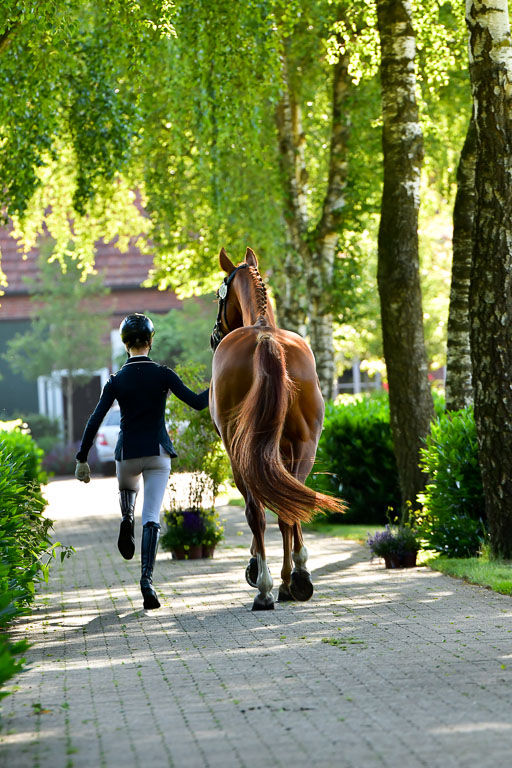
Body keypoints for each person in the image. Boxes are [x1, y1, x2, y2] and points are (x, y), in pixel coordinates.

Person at [75, 313, 209, 610]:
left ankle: (125, 516)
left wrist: (81, 458)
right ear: (151, 341)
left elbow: (95, 419)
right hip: (158, 453)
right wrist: (222, 384)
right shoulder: (163, 373)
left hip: (126, 455)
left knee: (128, 488)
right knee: (152, 517)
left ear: (126, 345)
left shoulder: (116, 380)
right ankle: (147, 581)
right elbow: (198, 402)